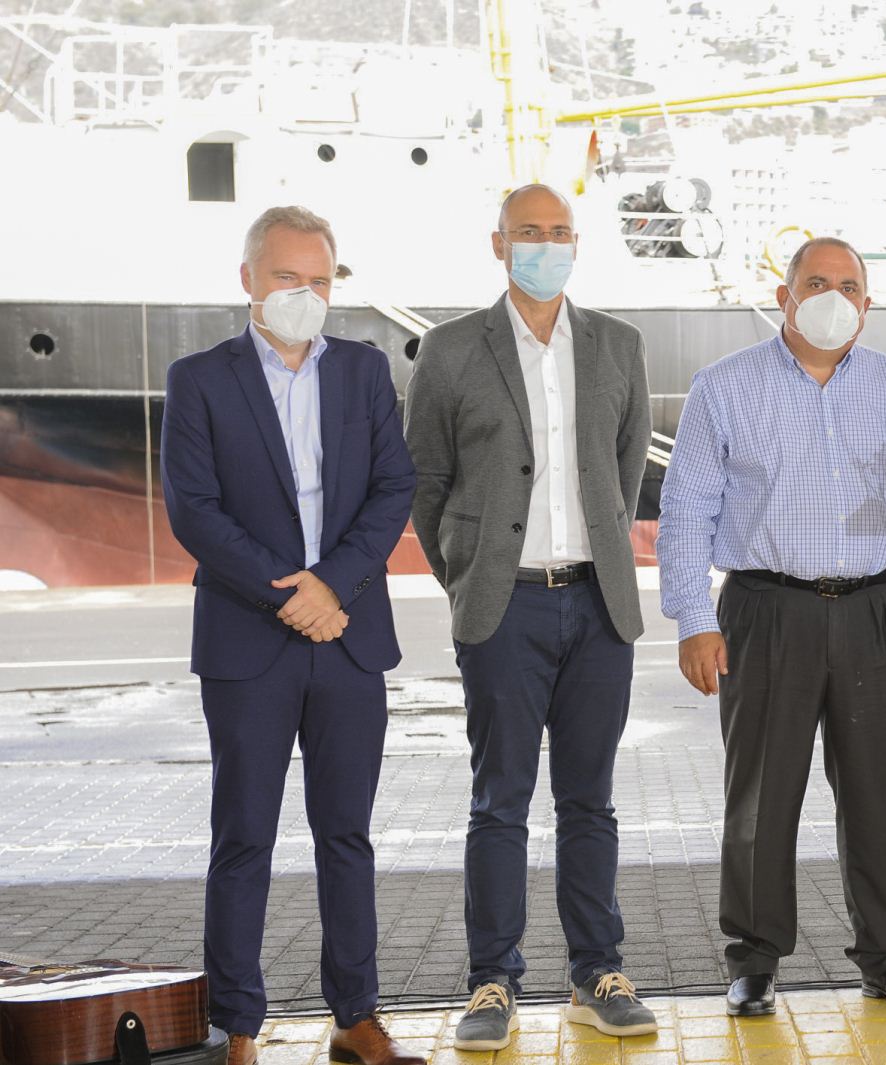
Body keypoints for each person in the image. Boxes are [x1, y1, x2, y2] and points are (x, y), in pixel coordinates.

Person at [657, 236, 886, 1017]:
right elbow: (686, 507)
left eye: (849, 284)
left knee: (871, 790)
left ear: (869, 301)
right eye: (817, 282)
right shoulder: (724, 387)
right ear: (784, 292)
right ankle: (755, 959)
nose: (834, 296)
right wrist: (695, 617)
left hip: (871, 609)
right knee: (761, 794)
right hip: (765, 608)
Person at [161, 206, 420, 1065]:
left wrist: (331, 585)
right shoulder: (200, 379)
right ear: (247, 281)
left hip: (347, 634)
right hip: (250, 638)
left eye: (319, 280)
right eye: (286, 278)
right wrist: (293, 595)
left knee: (346, 834)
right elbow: (195, 511)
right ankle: (236, 1027)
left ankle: (356, 1016)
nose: (304, 294)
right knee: (244, 837)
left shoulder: (364, 371)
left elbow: (393, 489)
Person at [404, 184, 657, 1050]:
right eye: (528, 233)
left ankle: (598, 971)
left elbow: (623, 482)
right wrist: (471, 579)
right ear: (498, 244)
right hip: (502, 604)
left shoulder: (618, 345)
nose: (545, 245)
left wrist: (598, 562)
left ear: (576, 242)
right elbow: (428, 486)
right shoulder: (448, 350)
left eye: (558, 232)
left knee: (590, 801)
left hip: (597, 603)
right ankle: (492, 982)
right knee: (499, 802)